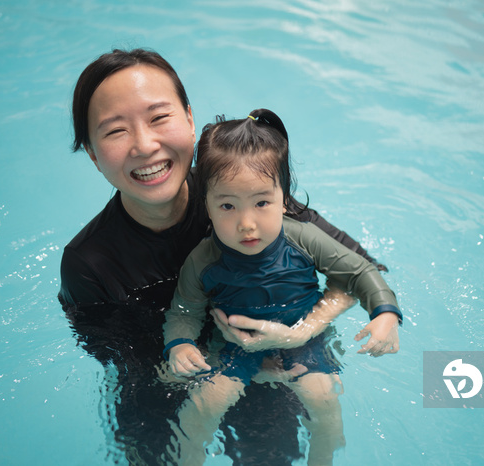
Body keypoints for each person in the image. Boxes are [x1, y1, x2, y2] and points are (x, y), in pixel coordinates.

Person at [60, 48, 400, 464]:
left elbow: (362, 269)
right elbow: (126, 368)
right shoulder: (88, 262)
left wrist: (300, 333)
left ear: (188, 118)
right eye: (115, 131)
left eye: (158, 117)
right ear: (93, 154)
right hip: (174, 385)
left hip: (281, 356)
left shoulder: (241, 192)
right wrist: (208, 363)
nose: (145, 145)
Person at [162, 109, 401, 464]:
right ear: (206, 207)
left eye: (262, 203)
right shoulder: (202, 259)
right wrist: (179, 344)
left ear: (283, 198)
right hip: (234, 346)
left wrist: (385, 314)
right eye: (227, 205)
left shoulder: (303, 237)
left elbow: (360, 272)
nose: (247, 224)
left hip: (305, 337)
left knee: (324, 401)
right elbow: (184, 309)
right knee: (203, 405)